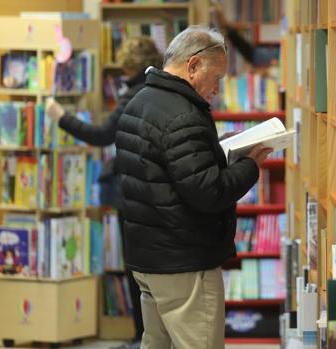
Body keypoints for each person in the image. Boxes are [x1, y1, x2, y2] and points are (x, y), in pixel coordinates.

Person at [114, 26, 273, 348]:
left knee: (156, 343)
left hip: (149, 258)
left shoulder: (140, 101)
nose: (217, 90)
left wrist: (216, 148)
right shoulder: (182, 114)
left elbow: (167, 172)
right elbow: (208, 191)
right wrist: (250, 166)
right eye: (216, 79)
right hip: (184, 262)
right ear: (193, 65)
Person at [45, 36, 163, 344]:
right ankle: (147, 336)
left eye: (124, 68)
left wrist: (61, 117)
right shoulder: (158, 91)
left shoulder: (133, 95)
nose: (121, 75)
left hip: (132, 195)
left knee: (135, 271)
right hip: (152, 193)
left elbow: (100, 134)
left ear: (132, 67)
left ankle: (142, 337)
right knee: (149, 272)